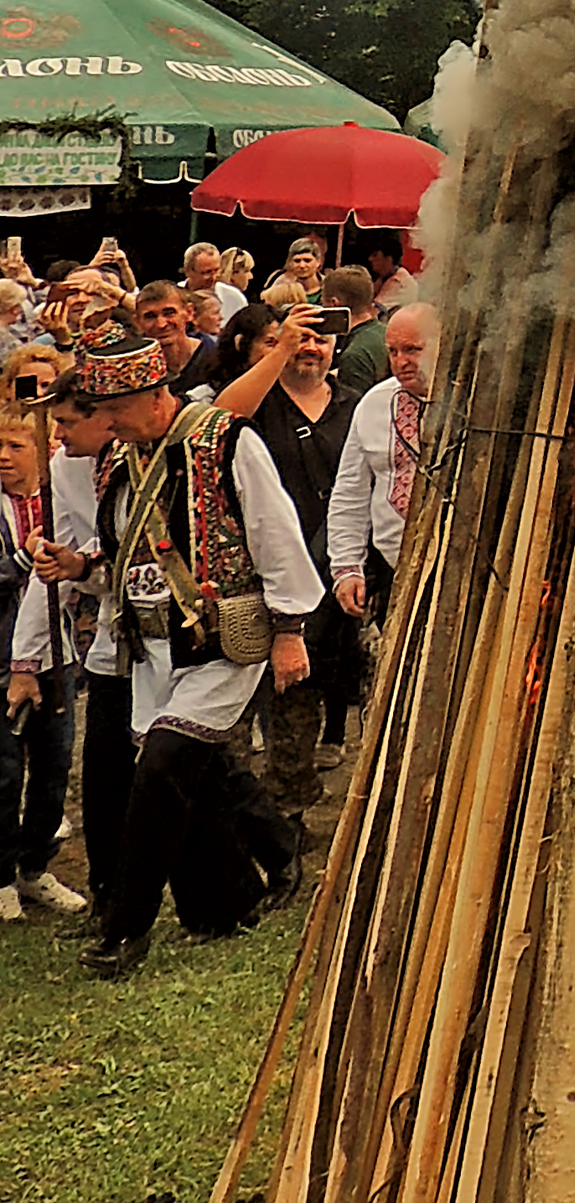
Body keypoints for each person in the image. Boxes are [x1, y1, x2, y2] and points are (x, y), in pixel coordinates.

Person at [76, 335, 316, 975]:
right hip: (151, 648)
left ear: (154, 395)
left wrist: (289, 627)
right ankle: (226, 901)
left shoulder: (229, 443)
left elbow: (274, 531)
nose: (108, 421)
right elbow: (121, 549)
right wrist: (83, 569)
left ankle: (127, 928)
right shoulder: (124, 458)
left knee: (161, 771)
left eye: (116, 407)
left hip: (220, 645)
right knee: (197, 775)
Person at [216, 295, 365, 807]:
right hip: (253, 579)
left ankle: (290, 814)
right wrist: (279, 350)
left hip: (329, 578)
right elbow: (218, 421)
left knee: (301, 706)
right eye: (302, 338)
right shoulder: (260, 400)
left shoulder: (354, 404)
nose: (312, 348)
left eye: (321, 339)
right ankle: (234, 818)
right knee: (234, 714)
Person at [0, 370, 85, 919]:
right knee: (3, 772)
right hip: (0, 656)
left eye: (15, 445)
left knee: (54, 766)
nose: (4, 456)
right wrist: (27, 560)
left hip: (60, 656)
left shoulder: (61, 496)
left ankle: (35, 867)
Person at [329, 301, 439, 617]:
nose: (400, 361)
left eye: (412, 350)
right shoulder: (374, 404)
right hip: (395, 571)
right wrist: (347, 567)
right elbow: (350, 491)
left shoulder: (477, 401)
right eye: (392, 351)